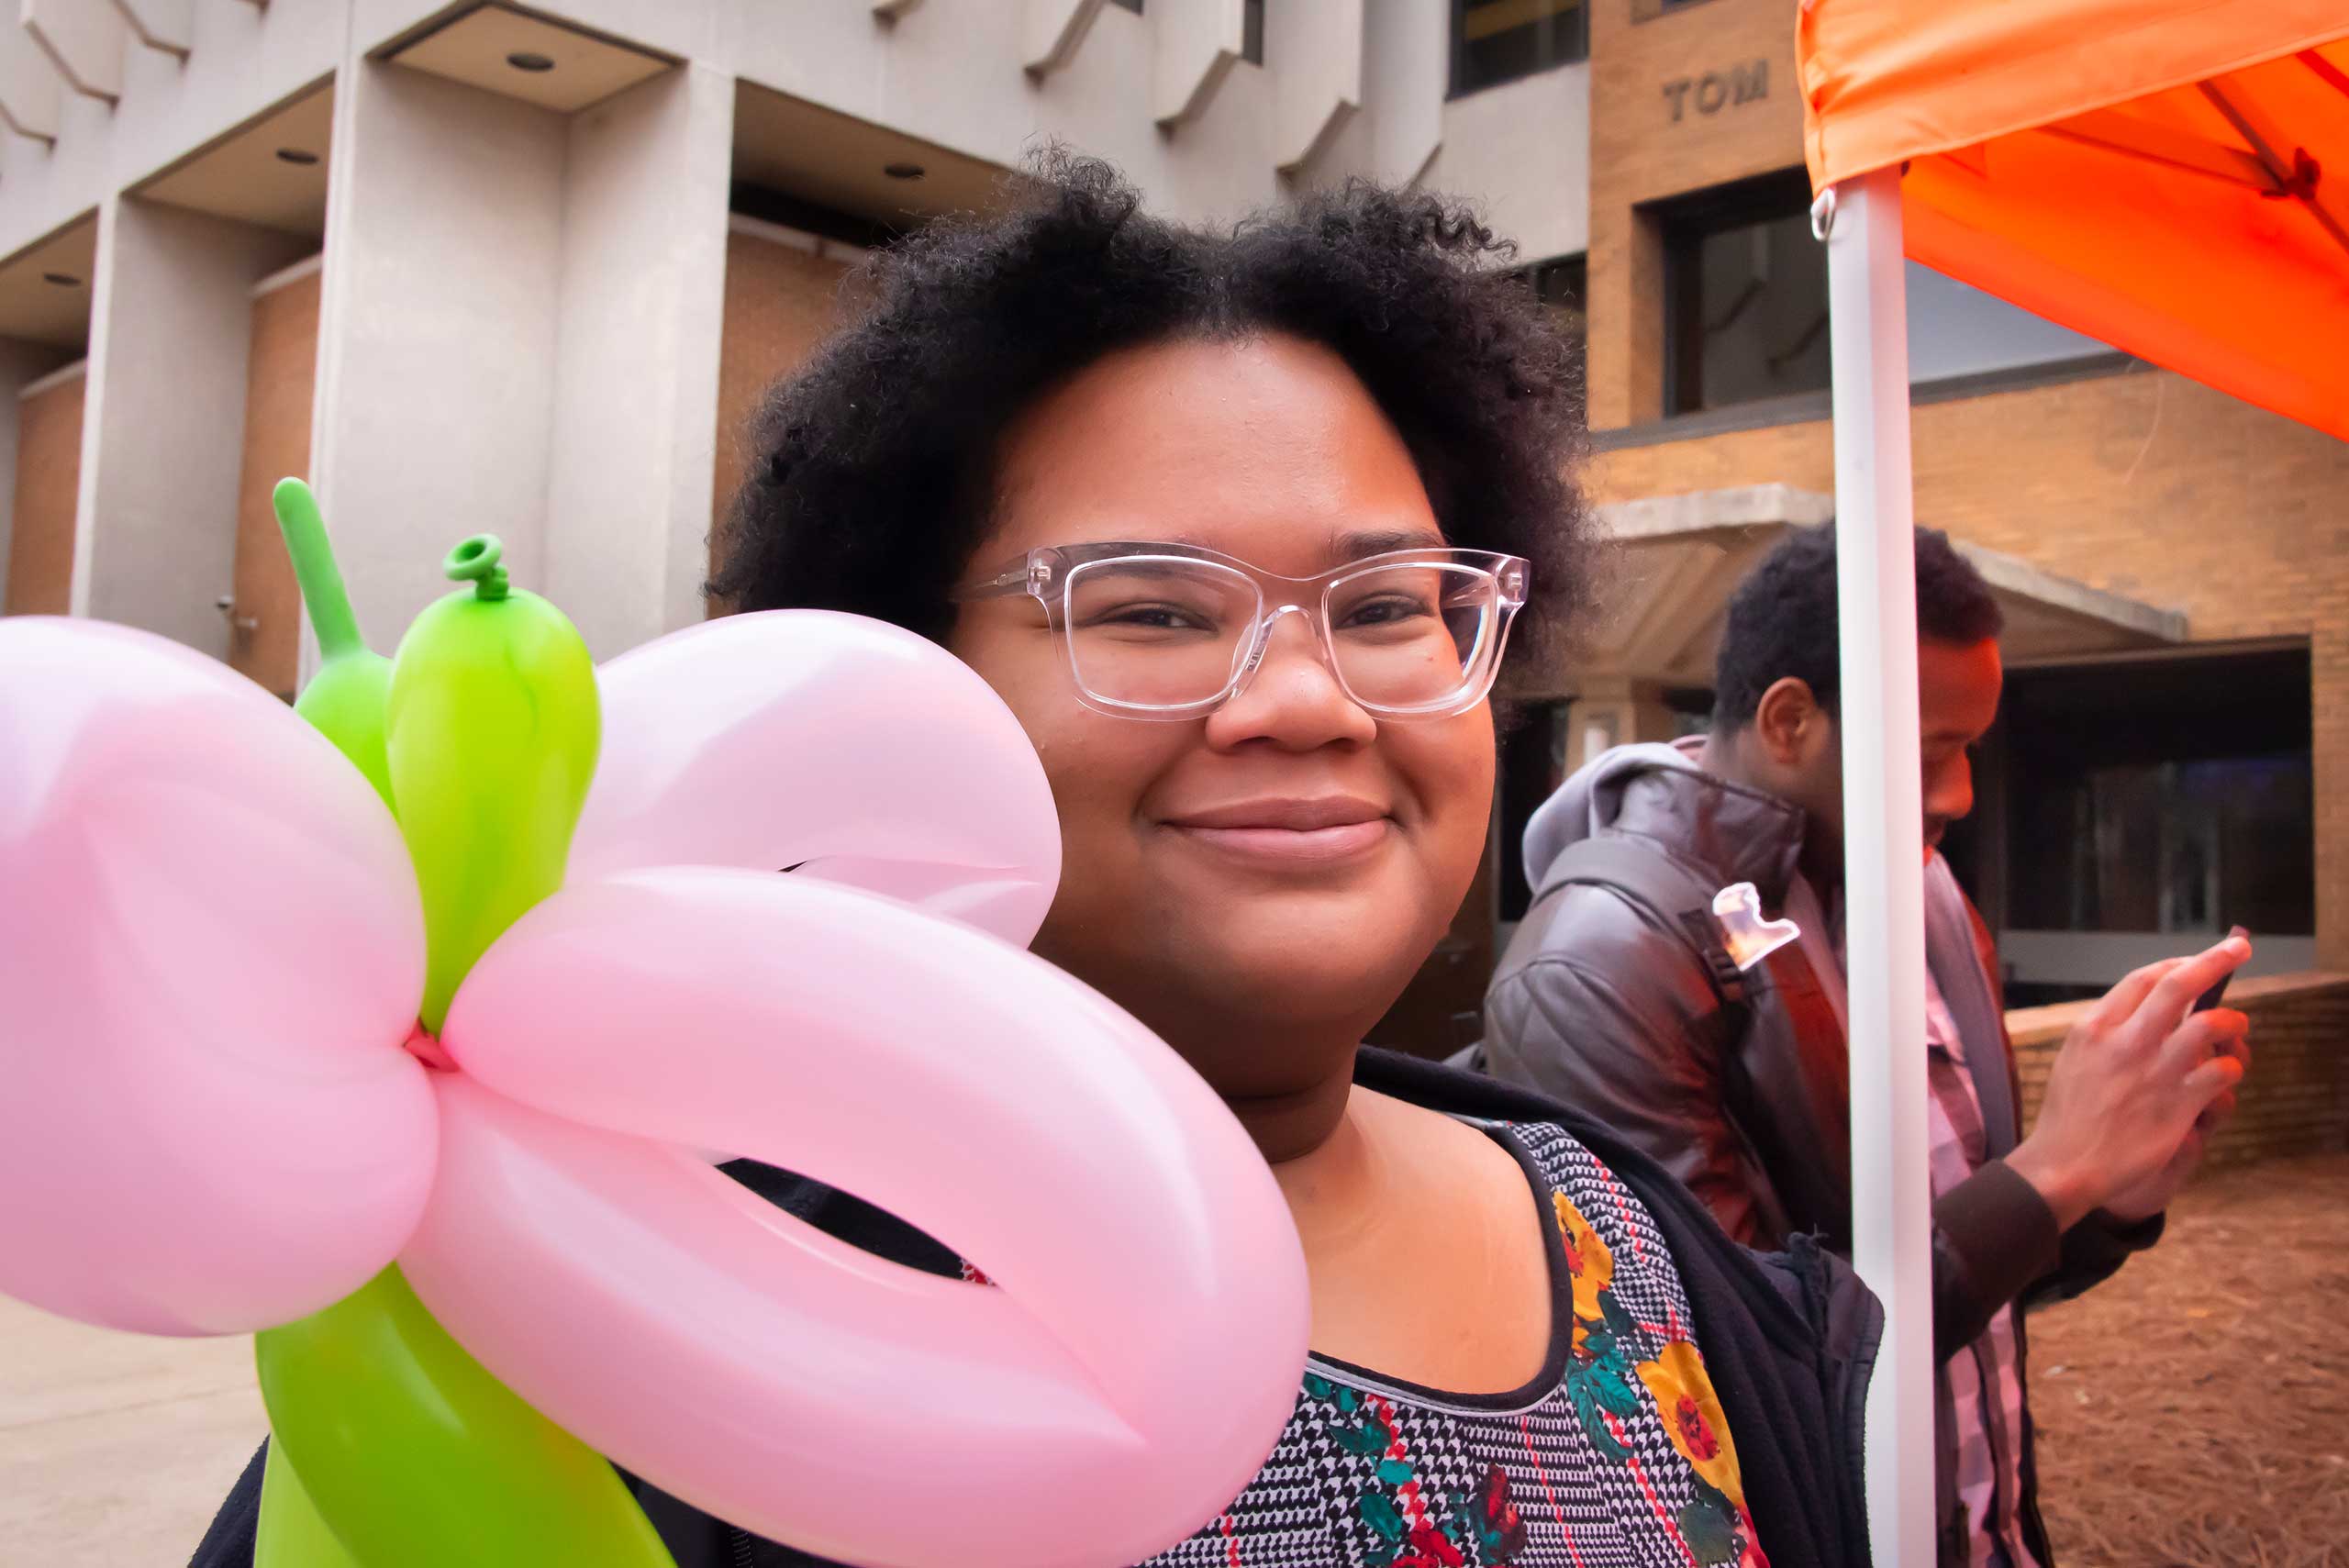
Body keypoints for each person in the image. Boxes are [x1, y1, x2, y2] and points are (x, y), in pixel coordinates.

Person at [194, 160, 1876, 1568]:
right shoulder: (625, 1307)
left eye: (1383, 606)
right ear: (900, 675)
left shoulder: (1671, 1269)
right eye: (1152, 610)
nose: (1308, 700)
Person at [1478, 523, 2253, 1568]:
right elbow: (1727, 1371)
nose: (1960, 792)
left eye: (1971, 748)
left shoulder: (1923, 893)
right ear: (1790, 720)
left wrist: (2108, 1190)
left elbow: (1984, 1277)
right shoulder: (1598, 963)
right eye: (1931, 752)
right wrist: (2053, 1168)